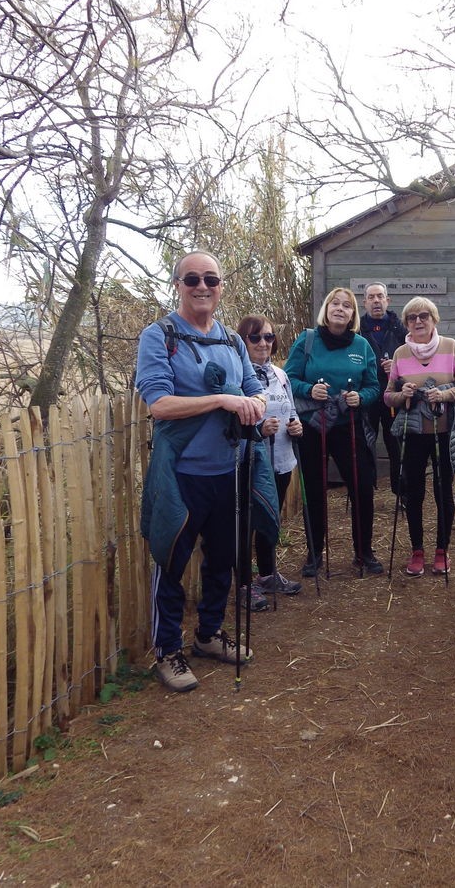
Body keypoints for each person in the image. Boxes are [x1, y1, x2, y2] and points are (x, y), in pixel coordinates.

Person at [136, 250, 267, 693]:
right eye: (192, 278)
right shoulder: (160, 336)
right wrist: (222, 401)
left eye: (211, 278)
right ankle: (167, 651)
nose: (202, 286)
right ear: (178, 284)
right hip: (182, 474)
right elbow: (159, 404)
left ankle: (208, 636)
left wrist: (256, 404)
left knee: (222, 561)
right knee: (170, 562)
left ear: (221, 285)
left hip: (228, 470)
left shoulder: (231, 340)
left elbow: (254, 388)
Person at [286, 287, 383, 576]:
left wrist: (361, 398)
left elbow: (374, 386)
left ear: (354, 313)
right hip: (312, 425)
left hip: (347, 424)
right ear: (326, 309)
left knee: (362, 487)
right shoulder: (307, 340)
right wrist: (309, 389)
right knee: (314, 489)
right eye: (335, 304)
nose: (340, 309)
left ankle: (363, 552)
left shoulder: (362, 346)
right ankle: (315, 553)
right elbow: (288, 378)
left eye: (347, 305)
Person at [384, 297, 455, 576]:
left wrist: (444, 394)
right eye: (412, 317)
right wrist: (403, 394)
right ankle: (417, 550)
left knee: (442, 491)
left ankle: (441, 550)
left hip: (443, 433)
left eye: (424, 316)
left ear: (434, 319)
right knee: (414, 493)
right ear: (407, 323)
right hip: (413, 434)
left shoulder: (450, 347)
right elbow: (388, 396)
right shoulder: (400, 353)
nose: (418, 321)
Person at [238, 314, 304, 598]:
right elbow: (232, 418)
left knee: (270, 518)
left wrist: (296, 425)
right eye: (255, 337)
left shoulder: (280, 374)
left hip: (281, 458)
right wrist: (257, 429)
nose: (263, 343)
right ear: (243, 341)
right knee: (247, 522)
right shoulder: (238, 375)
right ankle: (243, 583)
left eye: (268, 337)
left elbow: (290, 409)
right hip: (250, 460)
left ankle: (266, 575)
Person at [359, 282, 407, 495]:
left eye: (380, 296)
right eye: (371, 297)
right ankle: (366, 489)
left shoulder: (400, 328)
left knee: (395, 444)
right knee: (365, 443)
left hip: (393, 395)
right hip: (367, 395)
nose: (376, 301)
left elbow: (412, 357)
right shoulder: (357, 329)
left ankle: (400, 491)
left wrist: (397, 366)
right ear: (365, 302)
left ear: (388, 300)